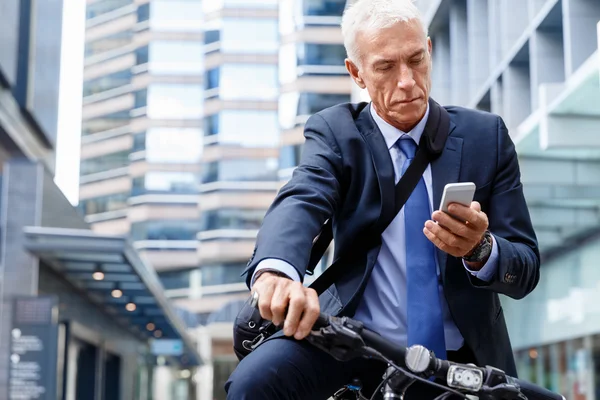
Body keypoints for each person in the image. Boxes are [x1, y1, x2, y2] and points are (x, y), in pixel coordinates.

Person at [225, 0, 540, 398]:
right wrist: (276, 274)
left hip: (462, 360)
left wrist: (481, 249)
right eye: (386, 67)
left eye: (416, 60)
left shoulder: (486, 137)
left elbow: (525, 267)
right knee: (256, 382)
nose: (407, 81)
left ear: (429, 50)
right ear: (356, 73)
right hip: (356, 345)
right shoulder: (336, 132)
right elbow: (302, 199)